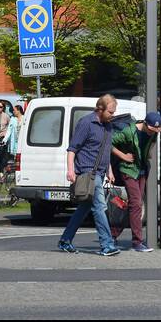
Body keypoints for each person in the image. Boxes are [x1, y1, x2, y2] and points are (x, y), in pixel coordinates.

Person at [58, 94, 119, 256]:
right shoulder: (86, 123)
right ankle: (107, 244)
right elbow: (72, 149)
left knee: (84, 209)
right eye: (110, 112)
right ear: (100, 109)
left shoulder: (108, 126)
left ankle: (65, 240)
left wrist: (109, 170)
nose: (113, 115)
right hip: (87, 172)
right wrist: (71, 170)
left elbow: (105, 151)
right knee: (100, 207)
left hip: (99, 172)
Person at [110, 111, 161, 253]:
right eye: (151, 129)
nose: (153, 133)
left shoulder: (154, 133)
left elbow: (150, 146)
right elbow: (108, 143)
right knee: (137, 203)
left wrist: (148, 155)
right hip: (128, 170)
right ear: (145, 124)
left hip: (142, 171)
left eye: (155, 130)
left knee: (134, 205)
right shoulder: (129, 132)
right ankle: (137, 242)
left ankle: (112, 235)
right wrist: (123, 156)